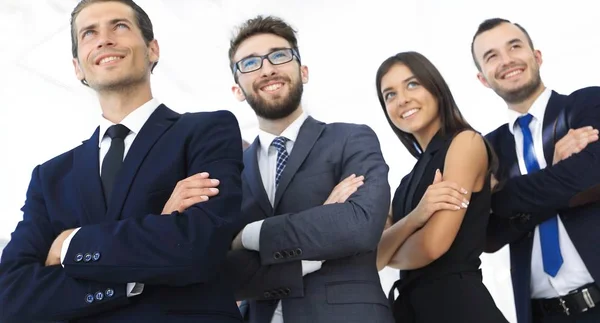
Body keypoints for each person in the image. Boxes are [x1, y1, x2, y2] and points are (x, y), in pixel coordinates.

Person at [0, 1, 244, 322]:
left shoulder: (208, 130)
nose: (104, 39)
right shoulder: (50, 176)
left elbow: (195, 248)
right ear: (77, 67)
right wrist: (154, 238)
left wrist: (69, 245)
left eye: (119, 26)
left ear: (152, 49)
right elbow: (11, 295)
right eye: (89, 33)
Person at [223, 15, 393, 323]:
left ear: (303, 71)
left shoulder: (351, 138)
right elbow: (225, 270)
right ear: (238, 89)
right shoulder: (230, 171)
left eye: (278, 55)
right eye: (250, 63)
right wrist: (323, 222)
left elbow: (360, 226)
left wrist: (247, 235)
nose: (267, 68)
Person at [471, 18, 600, 323]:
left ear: (536, 56)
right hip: (541, 315)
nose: (506, 60)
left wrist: (504, 198)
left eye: (514, 46)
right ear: (483, 79)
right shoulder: (485, 150)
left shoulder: (587, 103)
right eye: (492, 56)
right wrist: (559, 171)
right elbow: (487, 234)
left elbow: (594, 174)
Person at [375, 51, 508, 322]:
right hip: (415, 311)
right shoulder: (404, 184)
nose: (402, 99)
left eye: (412, 84)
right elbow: (373, 257)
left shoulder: (465, 143)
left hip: (460, 308)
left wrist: (392, 250)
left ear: (435, 87)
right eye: (389, 94)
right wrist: (417, 216)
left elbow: (432, 246)